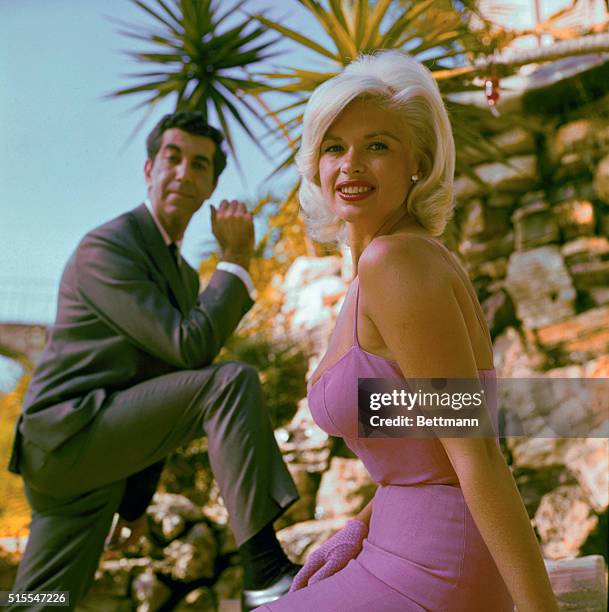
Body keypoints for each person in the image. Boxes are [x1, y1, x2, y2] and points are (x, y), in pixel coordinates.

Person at [254, 52, 559, 611]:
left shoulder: (396, 264)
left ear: (416, 161)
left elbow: (478, 458)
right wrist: (358, 527)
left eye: (377, 145)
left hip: (435, 570)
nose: (350, 165)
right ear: (315, 166)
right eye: (333, 147)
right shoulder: (378, 270)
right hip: (393, 551)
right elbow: (425, 453)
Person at [7, 111, 300, 611]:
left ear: (211, 185)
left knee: (42, 600)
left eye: (200, 165)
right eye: (173, 157)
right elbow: (190, 349)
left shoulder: (183, 278)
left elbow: (166, 387)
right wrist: (236, 259)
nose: (185, 172)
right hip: (68, 439)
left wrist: (136, 504)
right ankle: (265, 571)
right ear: (149, 170)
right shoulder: (108, 247)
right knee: (229, 382)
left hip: (96, 460)